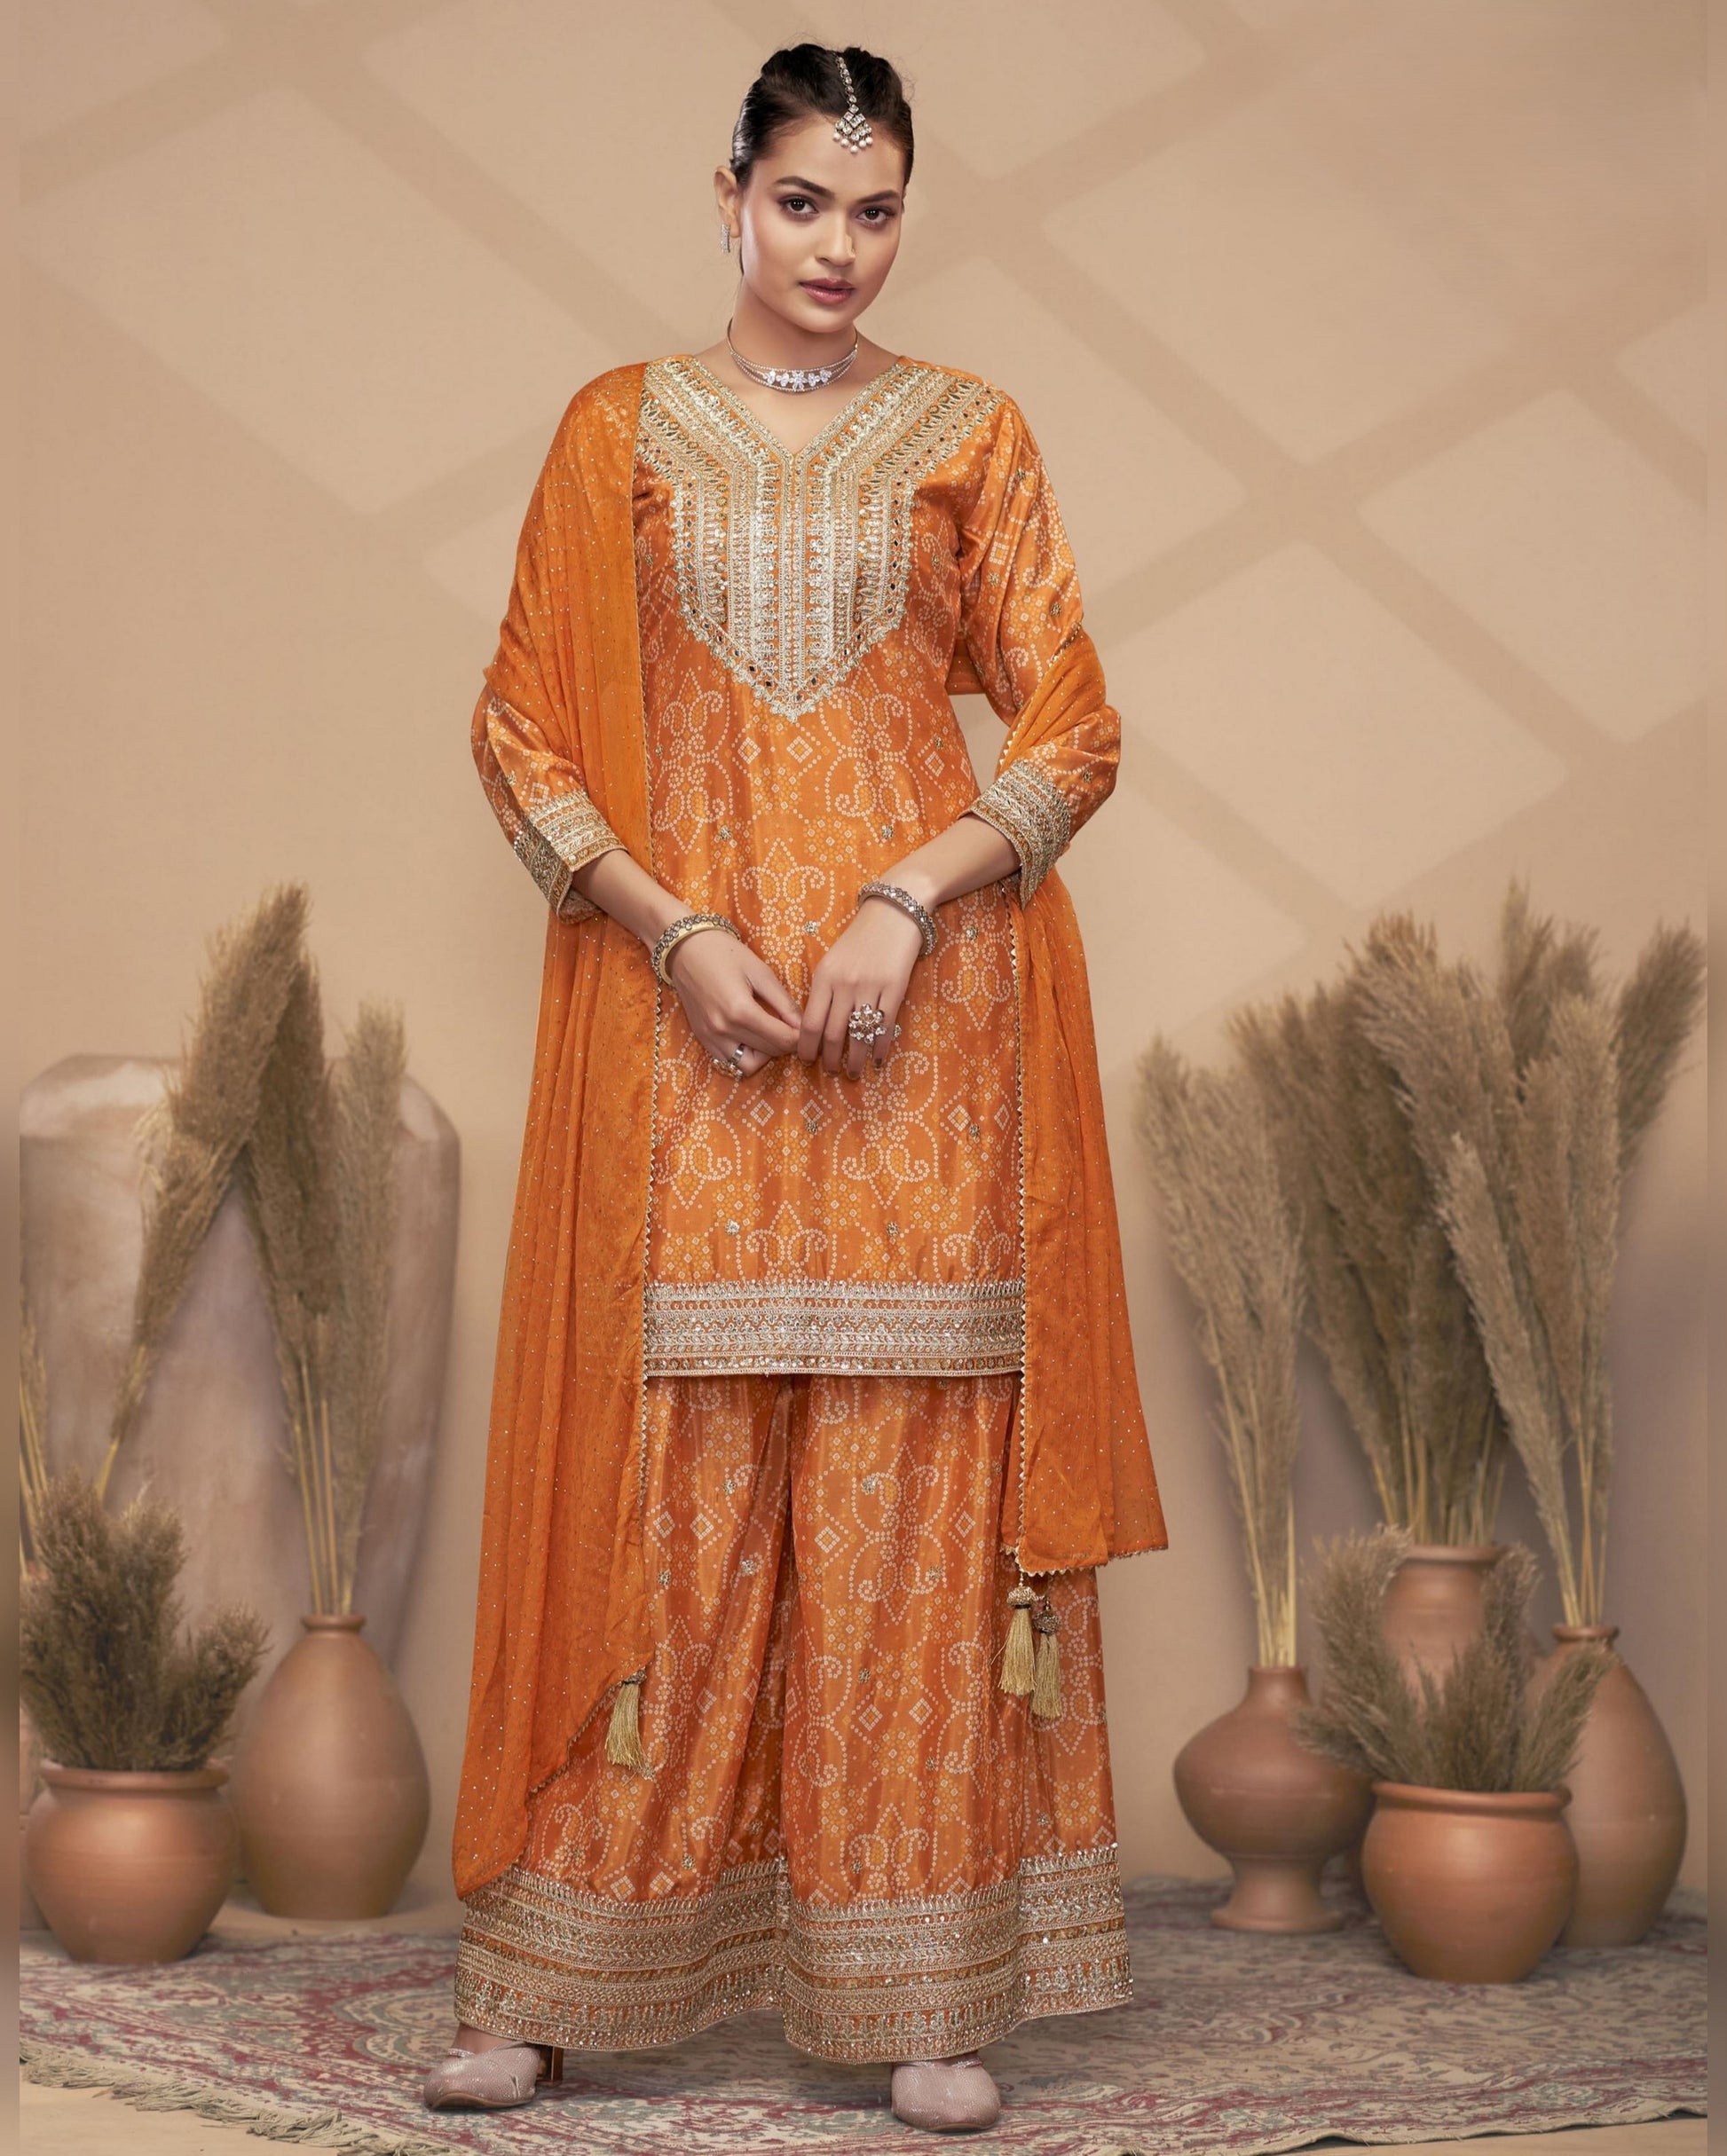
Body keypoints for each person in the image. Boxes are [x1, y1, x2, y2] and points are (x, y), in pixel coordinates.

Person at [422, 42, 1167, 2136]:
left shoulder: (972, 433)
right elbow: (520, 734)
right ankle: (559, 1979)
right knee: (659, 1509)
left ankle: (924, 1992)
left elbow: (1074, 726)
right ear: (729, 193)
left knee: (914, 1513)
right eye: (803, 203)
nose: (839, 248)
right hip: (690, 1043)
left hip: (926, 1046)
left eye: (877, 210)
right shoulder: (614, 435)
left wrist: (903, 904)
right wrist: (671, 934)